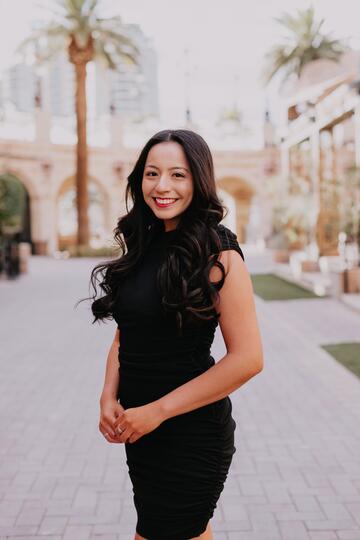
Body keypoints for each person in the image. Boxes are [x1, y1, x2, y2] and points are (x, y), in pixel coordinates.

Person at [89, 129, 263, 540]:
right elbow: (125, 334)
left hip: (190, 431)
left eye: (177, 175)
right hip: (140, 430)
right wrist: (108, 395)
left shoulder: (218, 252)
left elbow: (248, 359)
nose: (162, 186)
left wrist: (157, 411)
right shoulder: (143, 244)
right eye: (152, 173)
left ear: (198, 181)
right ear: (139, 180)